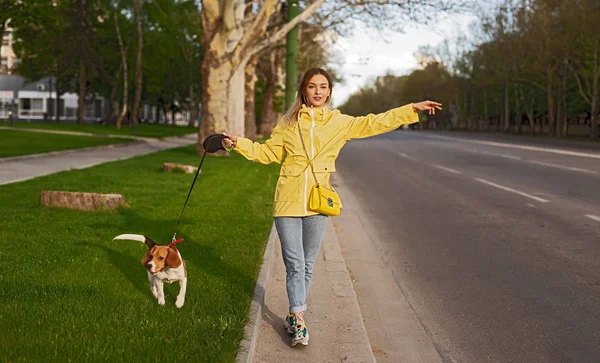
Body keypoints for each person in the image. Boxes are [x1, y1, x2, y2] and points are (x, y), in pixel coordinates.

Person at [222, 67, 441, 347]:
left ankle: (293, 312)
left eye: (323, 86)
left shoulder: (339, 123)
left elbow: (375, 122)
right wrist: (238, 144)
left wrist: (412, 108)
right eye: (312, 86)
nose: (317, 91)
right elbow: (268, 152)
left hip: (319, 200)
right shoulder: (288, 124)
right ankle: (300, 320)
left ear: (329, 91)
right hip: (288, 200)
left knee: (308, 263)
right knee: (294, 262)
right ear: (304, 90)